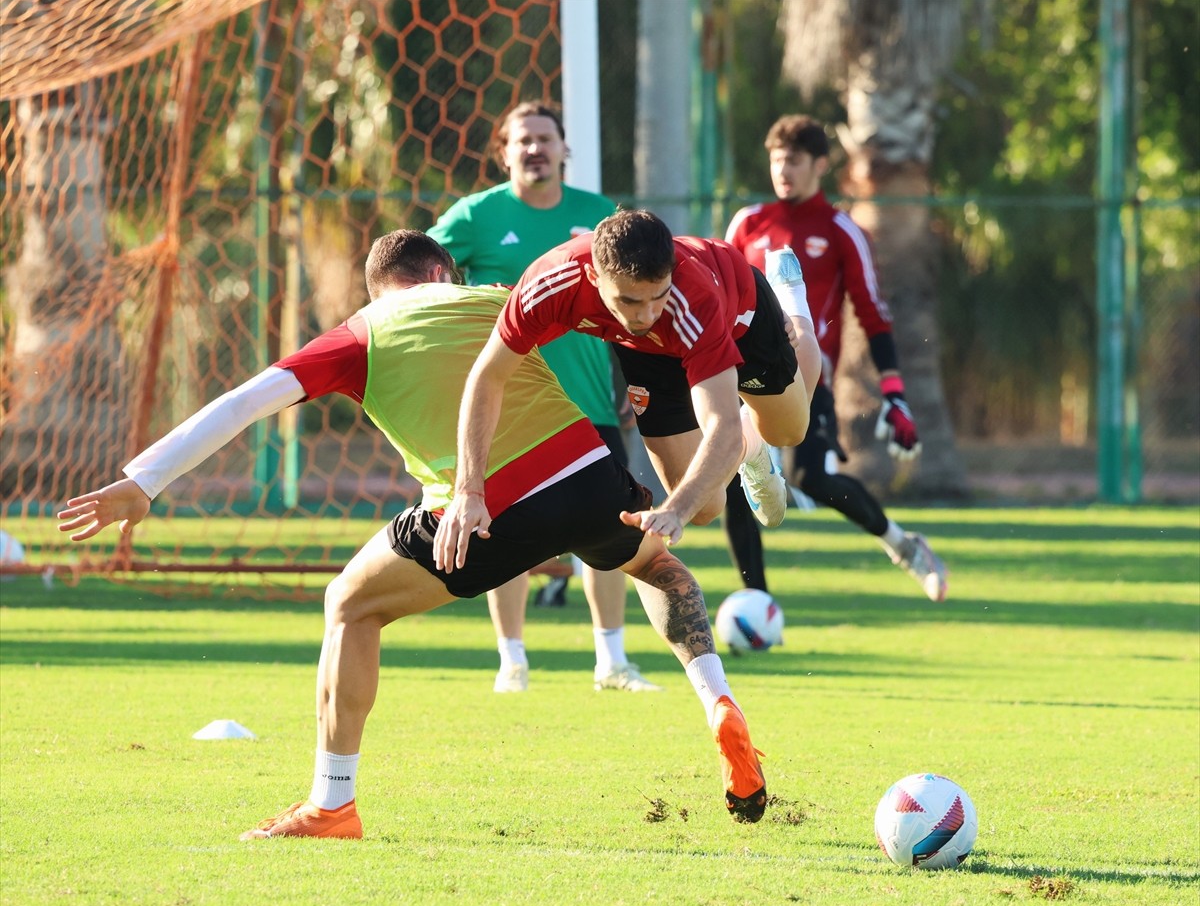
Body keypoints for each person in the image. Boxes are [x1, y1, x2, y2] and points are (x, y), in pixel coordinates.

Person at [56, 230, 769, 835]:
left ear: (380, 289)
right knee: (661, 569)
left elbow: (241, 404)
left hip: (483, 510)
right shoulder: (498, 297)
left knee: (350, 604)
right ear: (440, 275)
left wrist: (143, 481)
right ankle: (717, 698)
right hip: (588, 474)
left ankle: (332, 802)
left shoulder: (355, 336)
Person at [435, 209, 823, 572]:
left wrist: (673, 511)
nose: (647, 314)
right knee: (705, 508)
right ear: (593, 277)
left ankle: (792, 300)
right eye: (629, 300)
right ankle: (751, 448)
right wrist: (469, 491)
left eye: (658, 295)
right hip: (646, 353)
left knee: (788, 432)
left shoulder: (692, 299)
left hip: (739, 315)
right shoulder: (551, 283)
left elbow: (722, 425)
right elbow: (488, 377)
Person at [427, 100, 659, 694]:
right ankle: (512, 662)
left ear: (563, 149)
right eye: (522, 140)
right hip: (510, 407)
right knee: (503, 531)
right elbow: (419, 280)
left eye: (545, 138)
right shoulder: (474, 216)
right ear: (503, 152)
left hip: (589, 403)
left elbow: (635, 303)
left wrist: (635, 381)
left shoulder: (598, 215)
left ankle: (612, 662)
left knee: (609, 530)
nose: (535, 149)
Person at [723, 114, 948, 601]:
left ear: (820, 165)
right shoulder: (748, 223)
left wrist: (894, 392)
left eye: (794, 160)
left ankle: (904, 545)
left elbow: (873, 313)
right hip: (743, 378)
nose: (783, 170)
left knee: (810, 478)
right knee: (734, 481)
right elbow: (720, 297)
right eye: (776, 160)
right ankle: (759, 605)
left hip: (807, 381)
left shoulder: (840, 229)